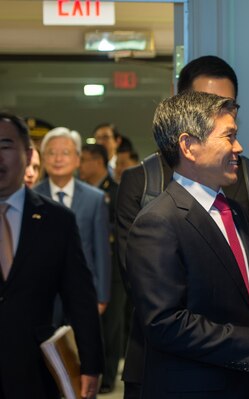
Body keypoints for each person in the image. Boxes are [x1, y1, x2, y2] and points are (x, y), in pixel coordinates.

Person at [117, 55, 249, 398]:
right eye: (228, 135)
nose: (238, 147)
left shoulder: (234, 206)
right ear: (189, 144)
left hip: (243, 378)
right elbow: (163, 319)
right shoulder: (156, 215)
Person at [0, 112, 103, 399]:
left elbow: (80, 298)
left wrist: (91, 365)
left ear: (28, 153)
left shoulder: (57, 220)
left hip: (35, 371)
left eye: (5, 146)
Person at [35, 128, 111, 316]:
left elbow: (101, 251)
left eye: (65, 153)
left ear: (77, 159)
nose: (58, 159)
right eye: (52, 153)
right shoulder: (32, 197)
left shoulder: (95, 199)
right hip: (41, 293)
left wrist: (102, 296)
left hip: (84, 291)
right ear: (44, 159)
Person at [79, 143, 124, 393]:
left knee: (111, 325)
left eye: (83, 160)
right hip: (87, 266)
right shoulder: (82, 191)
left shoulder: (115, 191)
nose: (80, 165)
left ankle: (107, 377)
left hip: (113, 269)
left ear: (97, 162)